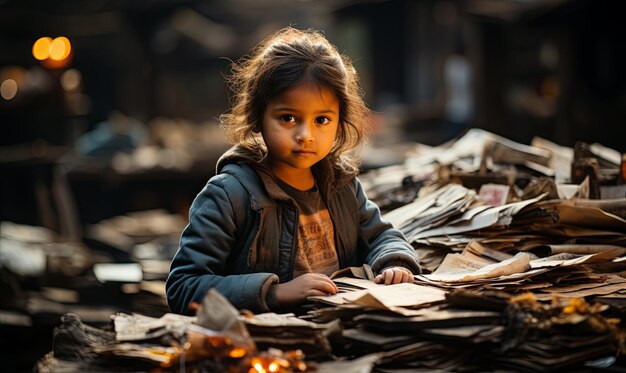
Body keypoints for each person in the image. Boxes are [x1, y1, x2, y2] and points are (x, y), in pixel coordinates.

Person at [166, 27, 421, 316]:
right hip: (265, 348)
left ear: (339, 122)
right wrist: (275, 292)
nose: (305, 135)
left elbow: (380, 237)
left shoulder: (341, 186)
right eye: (288, 118)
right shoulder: (229, 196)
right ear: (258, 116)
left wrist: (393, 263)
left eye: (322, 119)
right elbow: (183, 287)